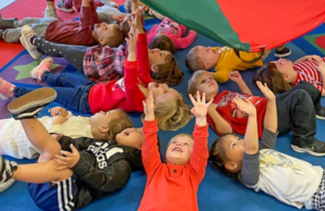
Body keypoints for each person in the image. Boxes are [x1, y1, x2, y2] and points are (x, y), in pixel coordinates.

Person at [0, 13, 191, 132]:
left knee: (51, 94)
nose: (164, 85)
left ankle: (12, 91)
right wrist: (138, 30)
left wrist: (130, 51)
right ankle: (42, 74)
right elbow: (142, 59)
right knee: (64, 77)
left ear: (154, 105)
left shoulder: (138, 101)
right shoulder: (147, 80)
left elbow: (131, 75)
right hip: (91, 88)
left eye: (165, 91)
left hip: (84, 102)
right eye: (168, 87)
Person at [209, 85, 325, 211]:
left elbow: (270, 129)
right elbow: (251, 150)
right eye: (234, 144)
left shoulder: (264, 152)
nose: (241, 140)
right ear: (231, 165)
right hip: (319, 196)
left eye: (238, 138)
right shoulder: (249, 176)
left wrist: (272, 100)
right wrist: (252, 116)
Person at [0, 87, 144, 209]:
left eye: (141, 132)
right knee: (53, 147)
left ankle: (9, 171)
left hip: (64, 195)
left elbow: (106, 182)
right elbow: (78, 142)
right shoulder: (102, 143)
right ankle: (26, 116)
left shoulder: (123, 165)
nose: (135, 128)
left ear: (141, 148)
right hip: (42, 178)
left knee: (64, 166)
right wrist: (62, 139)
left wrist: (78, 164)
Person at [188, 70, 325, 156]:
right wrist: (211, 110)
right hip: (269, 121)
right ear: (196, 94)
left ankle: (315, 108)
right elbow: (226, 131)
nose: (209, 81)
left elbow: (248, 96)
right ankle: (303, 141)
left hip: (269, 103)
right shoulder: (210, 110)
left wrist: (239, 81)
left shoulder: (225, 93)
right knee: (300, 96)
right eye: (203, 82)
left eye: (210, 78)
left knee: (305, 86)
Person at [18, 12, 183, 85]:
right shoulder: (143, 53)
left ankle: (35, 42)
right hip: (97, 53)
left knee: (64, 49)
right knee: (65, 49)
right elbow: (139, 35)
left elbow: (137, 42)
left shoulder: (141, 67)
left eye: (160, 54)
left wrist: (135, 30)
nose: (156, 50)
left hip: (91, 65)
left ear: (154, 67)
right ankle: (38, 48)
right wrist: (135, 14)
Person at [138, 90, 210, 211]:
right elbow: (149, 147)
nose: (178, 144)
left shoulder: (193, 174)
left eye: (186, 144)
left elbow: (200, 150)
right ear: (165, 155)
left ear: (192, 156)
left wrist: (201, 119)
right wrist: (149, 116)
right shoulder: (155, 169)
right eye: (174, 142)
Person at [0, 106, 131, 159]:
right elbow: (71, 118)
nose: (102, 111)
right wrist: (64, 113)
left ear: (103, 127)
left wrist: (57, 122)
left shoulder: (81, 140)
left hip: (15, 140)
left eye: (106, 113)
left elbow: (52, 144)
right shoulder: (88, 122)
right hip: (18, 124)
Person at [15, 0, 124, 60]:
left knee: (16, 32)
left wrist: (85, 3)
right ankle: (7, 22)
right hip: (54, 24)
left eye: (106, 28)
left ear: (101, 40)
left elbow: (85, 17)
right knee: (25, 21)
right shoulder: (93, 29)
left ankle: (3, 32)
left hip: (47, 33)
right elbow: (91, 13)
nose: (104, 23)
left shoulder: (86, 38)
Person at [185, 44, 291, 83]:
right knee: (273, 37)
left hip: (247, 44)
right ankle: (281, 49)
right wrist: (208, 74)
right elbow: (222, 77)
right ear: (207, 64)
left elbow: (208, 51)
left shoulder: (215, 52)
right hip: (255, 54)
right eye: (207, 50)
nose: (209, 48)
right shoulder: (223, 67)